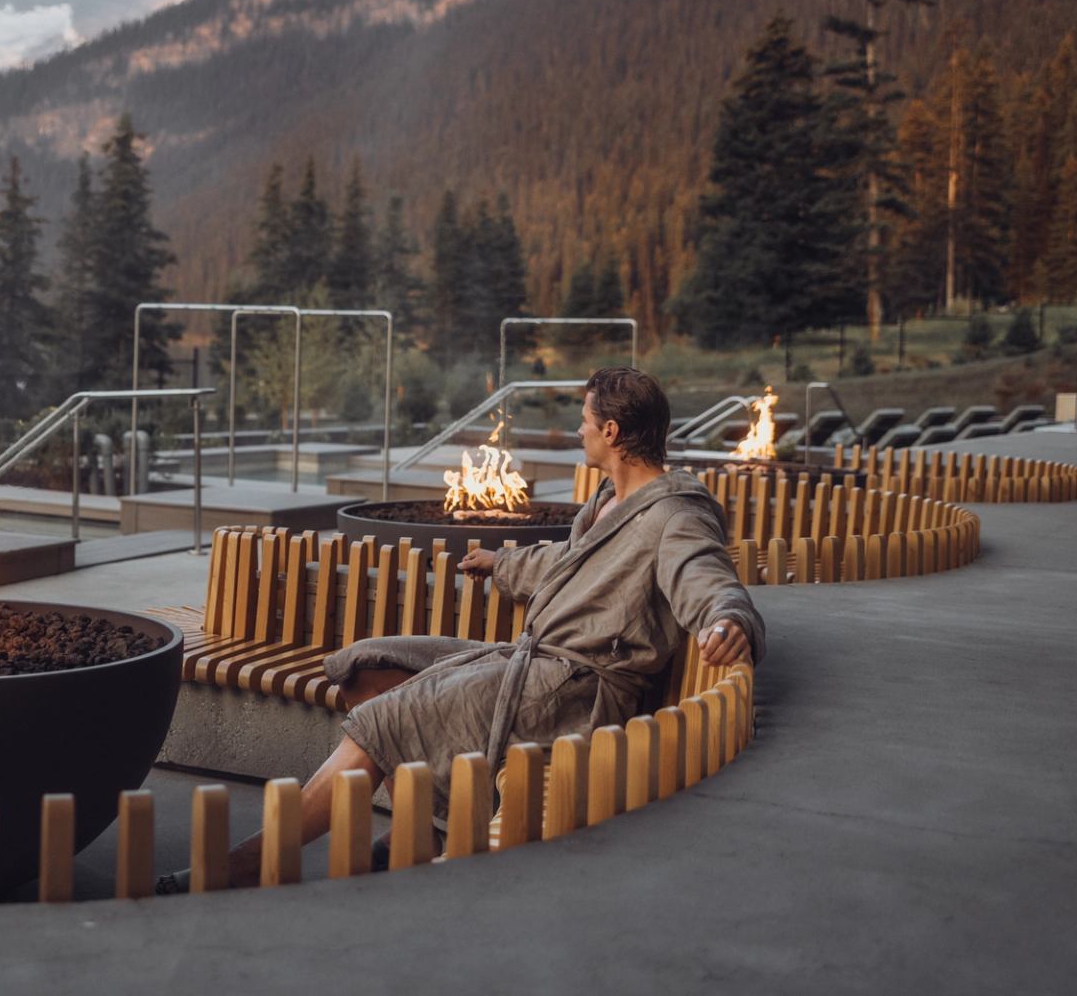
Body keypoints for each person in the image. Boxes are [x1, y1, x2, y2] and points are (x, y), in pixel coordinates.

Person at [158, 366, 764, 892]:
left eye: (585, 420)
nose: (579, 429)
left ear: (612, 432)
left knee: (381, 721)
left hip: (570, 691)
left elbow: (705, 576)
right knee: (369, 668)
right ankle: (413, 836)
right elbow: (568, 562)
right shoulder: (607, 499)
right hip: (532, 663)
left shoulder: (675, 514)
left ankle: (248, 865)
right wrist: (501, 564)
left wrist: (727, 617)